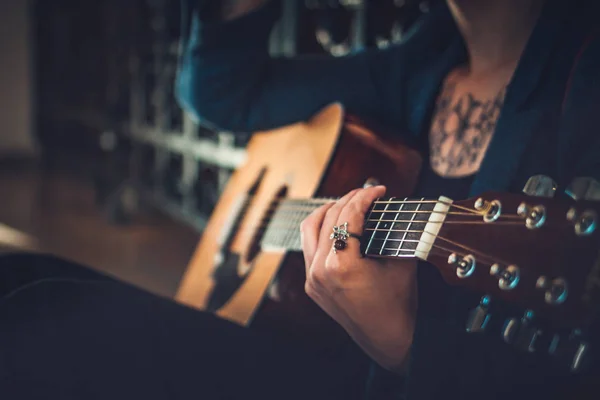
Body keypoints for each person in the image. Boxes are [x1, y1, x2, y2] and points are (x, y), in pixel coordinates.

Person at [1, 0, 599, 399]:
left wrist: (405, 345)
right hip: (308, 345)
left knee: (36, 325)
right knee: (20, 279)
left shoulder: (583, 81)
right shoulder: (418, 65)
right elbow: (218, 92)